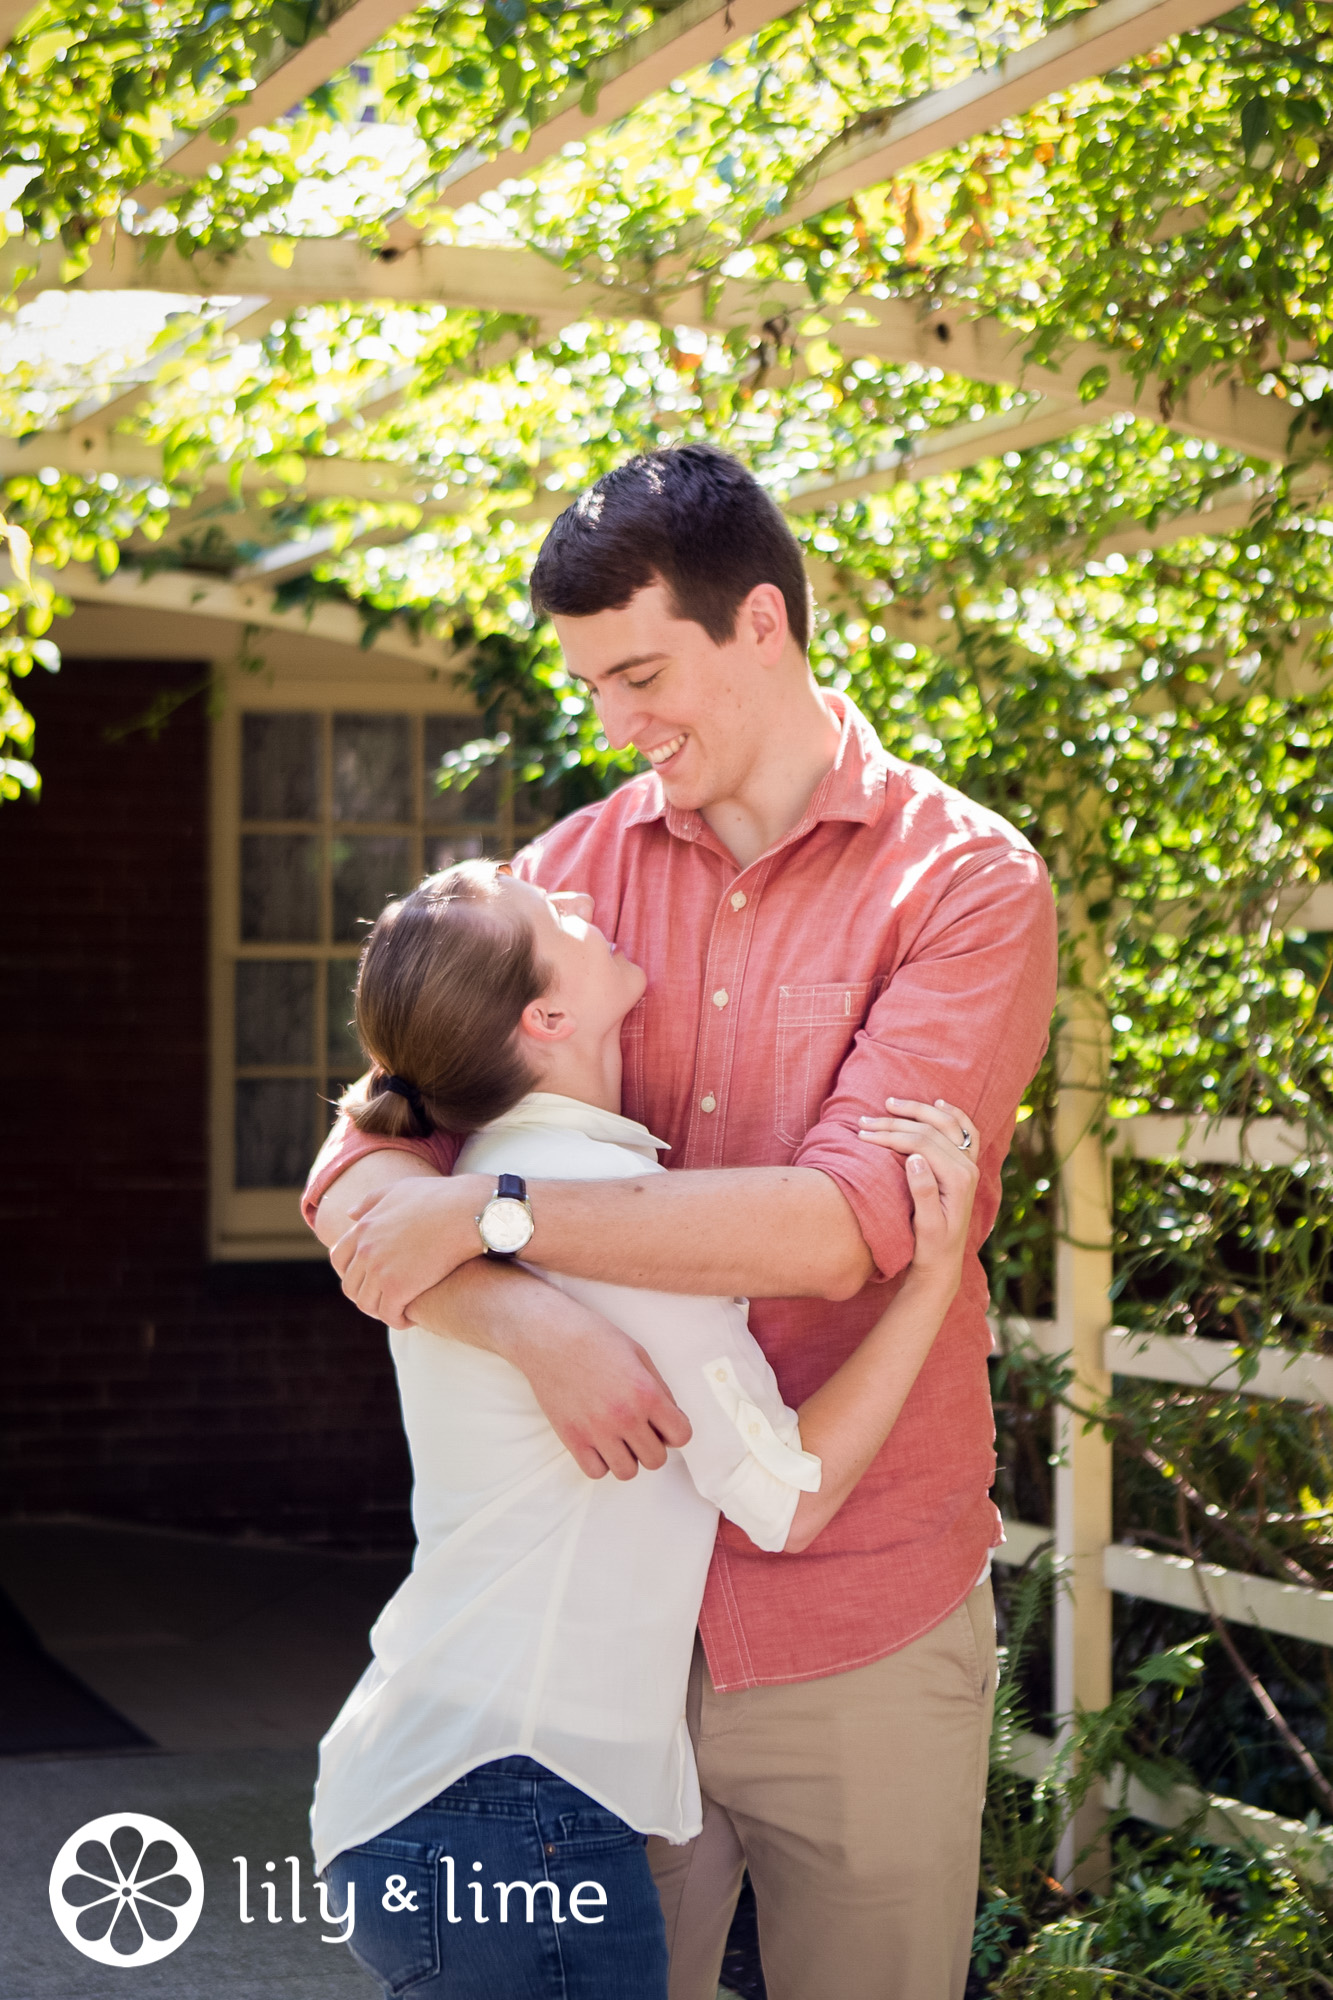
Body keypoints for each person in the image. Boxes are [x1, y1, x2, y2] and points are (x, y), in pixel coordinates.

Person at [305, 442, 1058, 2000]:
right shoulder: (561, 881)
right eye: (592, 686)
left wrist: (494, 1222)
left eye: (643, 673)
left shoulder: (962, 885)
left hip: (858, 1610)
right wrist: (521, 1319)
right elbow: (361, 1174)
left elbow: (844, 1227)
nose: (618, 724)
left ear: (764, 624)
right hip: (602, 1670)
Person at [311, 858, 980, 2000]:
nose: (583, 902)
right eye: (555, 918)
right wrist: (932, 1272)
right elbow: (791, 1492)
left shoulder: (453, 1188)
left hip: (422, 1789)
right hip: (518, 1815)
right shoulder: (602, 1218)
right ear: (548, 1015)